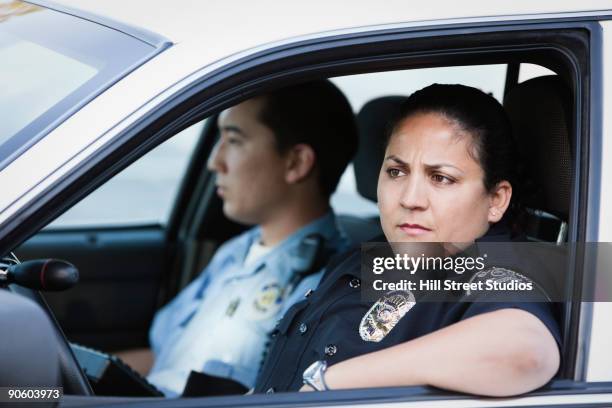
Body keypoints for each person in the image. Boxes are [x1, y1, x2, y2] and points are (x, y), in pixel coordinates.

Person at [254, 84, 561, 397]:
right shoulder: (369, 254)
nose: (410, 199)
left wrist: (328, 384)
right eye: (396, 172)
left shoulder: (497, 267)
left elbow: (526, 351)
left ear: (496, 199)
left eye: (441, 178)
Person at [118, 80, 358, 397]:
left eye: (234, 140)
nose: (214, 162)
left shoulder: (326, 284)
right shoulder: (233, 253)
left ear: (296, 163)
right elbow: (167, 362)